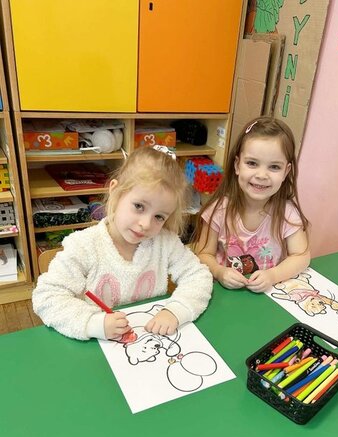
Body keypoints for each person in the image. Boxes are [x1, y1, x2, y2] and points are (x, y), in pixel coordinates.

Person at [32, 147, 213, 341]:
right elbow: (46, 296)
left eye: (159, 217)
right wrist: (92, 323)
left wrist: (177, 311)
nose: (146, 224)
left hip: (149, 341)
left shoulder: (166, 243)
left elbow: (198, 275)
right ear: (115, 191)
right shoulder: (84, 245)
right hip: (97, 346)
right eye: (139, 206)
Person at [192, 117, 310, 293]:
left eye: (274, 167)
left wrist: (273, 275)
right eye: (252, 163)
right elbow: (204, 254)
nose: (262, 175)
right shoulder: (219, 210)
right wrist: (219, 272)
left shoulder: (288, 213)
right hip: (225, 294)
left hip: (267, 296)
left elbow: (301, 256)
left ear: (286, 172)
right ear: (237, 165)